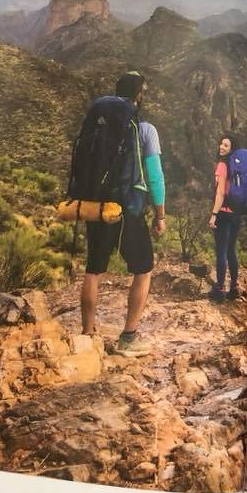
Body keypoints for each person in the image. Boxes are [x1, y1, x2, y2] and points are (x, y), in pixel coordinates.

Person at [80, 71, 166, 355]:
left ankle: (88, 335)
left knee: (94, 270)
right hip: (130, 209)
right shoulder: (145, 130)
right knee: (143, 270)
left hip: (98, 207)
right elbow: (155, 177)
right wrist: (160, 214)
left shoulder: (98, 127)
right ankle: (128, 338)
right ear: (138, 96)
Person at [208, 134, 242, 301]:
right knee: (231, 250)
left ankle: (220, 290)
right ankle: (234, 287)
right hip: (236, 214)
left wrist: (213, 215)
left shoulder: (222, 165)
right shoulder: (239, 166)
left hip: (223, 212)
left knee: (221, 250)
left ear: (232, 149)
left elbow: (220, 193)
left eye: (226, 145)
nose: (221, 147)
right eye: (221, 144)